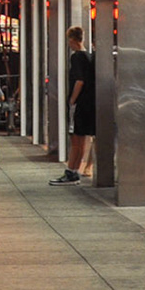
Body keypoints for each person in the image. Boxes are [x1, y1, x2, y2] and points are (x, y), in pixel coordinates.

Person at [50, 27, 95, 185]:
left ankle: (70, 171)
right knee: (82, 140)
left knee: (75, 139)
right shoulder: (89, 56)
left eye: (69, 39)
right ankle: (75, 171)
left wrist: (72, 100)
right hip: (89, 103)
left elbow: (79, 80)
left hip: (79, 103)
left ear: (72, 39)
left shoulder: (76, 57)